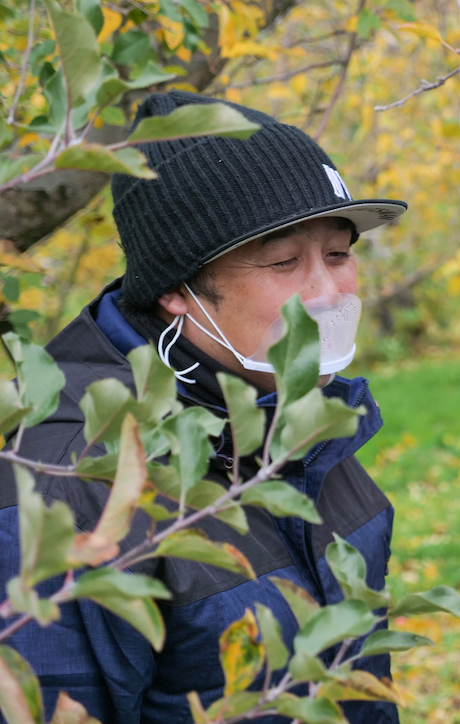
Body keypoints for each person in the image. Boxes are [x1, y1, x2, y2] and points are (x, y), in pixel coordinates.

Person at [0, 91, 407, 722]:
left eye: (338, 253)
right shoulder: (68, 484)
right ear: (176, 290)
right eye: (283, 262)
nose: (329, 292)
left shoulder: (306, 420)